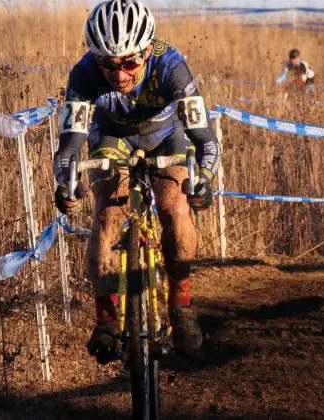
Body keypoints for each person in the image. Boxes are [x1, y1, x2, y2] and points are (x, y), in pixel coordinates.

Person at [52, 0, 220, 362]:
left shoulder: (171, 66)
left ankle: (181, 305)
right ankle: (106, 319)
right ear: (96, 59)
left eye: (130, 63)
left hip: (165, 135)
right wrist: (65, 183)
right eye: (109, 65)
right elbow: (69, 145)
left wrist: (203, 179)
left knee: (175, 207)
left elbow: (205, 141)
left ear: (146, 51)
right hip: (112, 135)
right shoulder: (84, 74)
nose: (120, 74)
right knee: (107, 214)